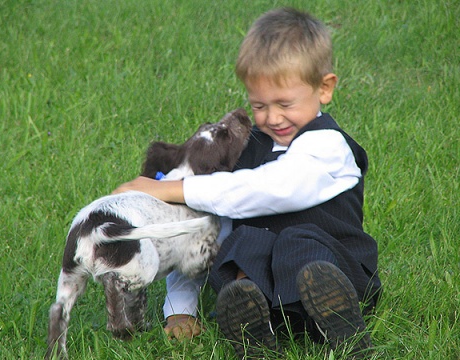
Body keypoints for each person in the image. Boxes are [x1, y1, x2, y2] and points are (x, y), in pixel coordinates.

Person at [114, 7, 381, 358]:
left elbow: (267, 189)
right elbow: (203, 228)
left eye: (285, 103)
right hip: (277, 298)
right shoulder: (249, 148)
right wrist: (180, 306)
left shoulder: (327, 146)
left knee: (296, 241)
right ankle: (249, 319)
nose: (272, 117)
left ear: (324, 88)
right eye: (259, 105)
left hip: (343, 273)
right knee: (243, 241)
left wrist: (172, 188)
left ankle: (338, 319)